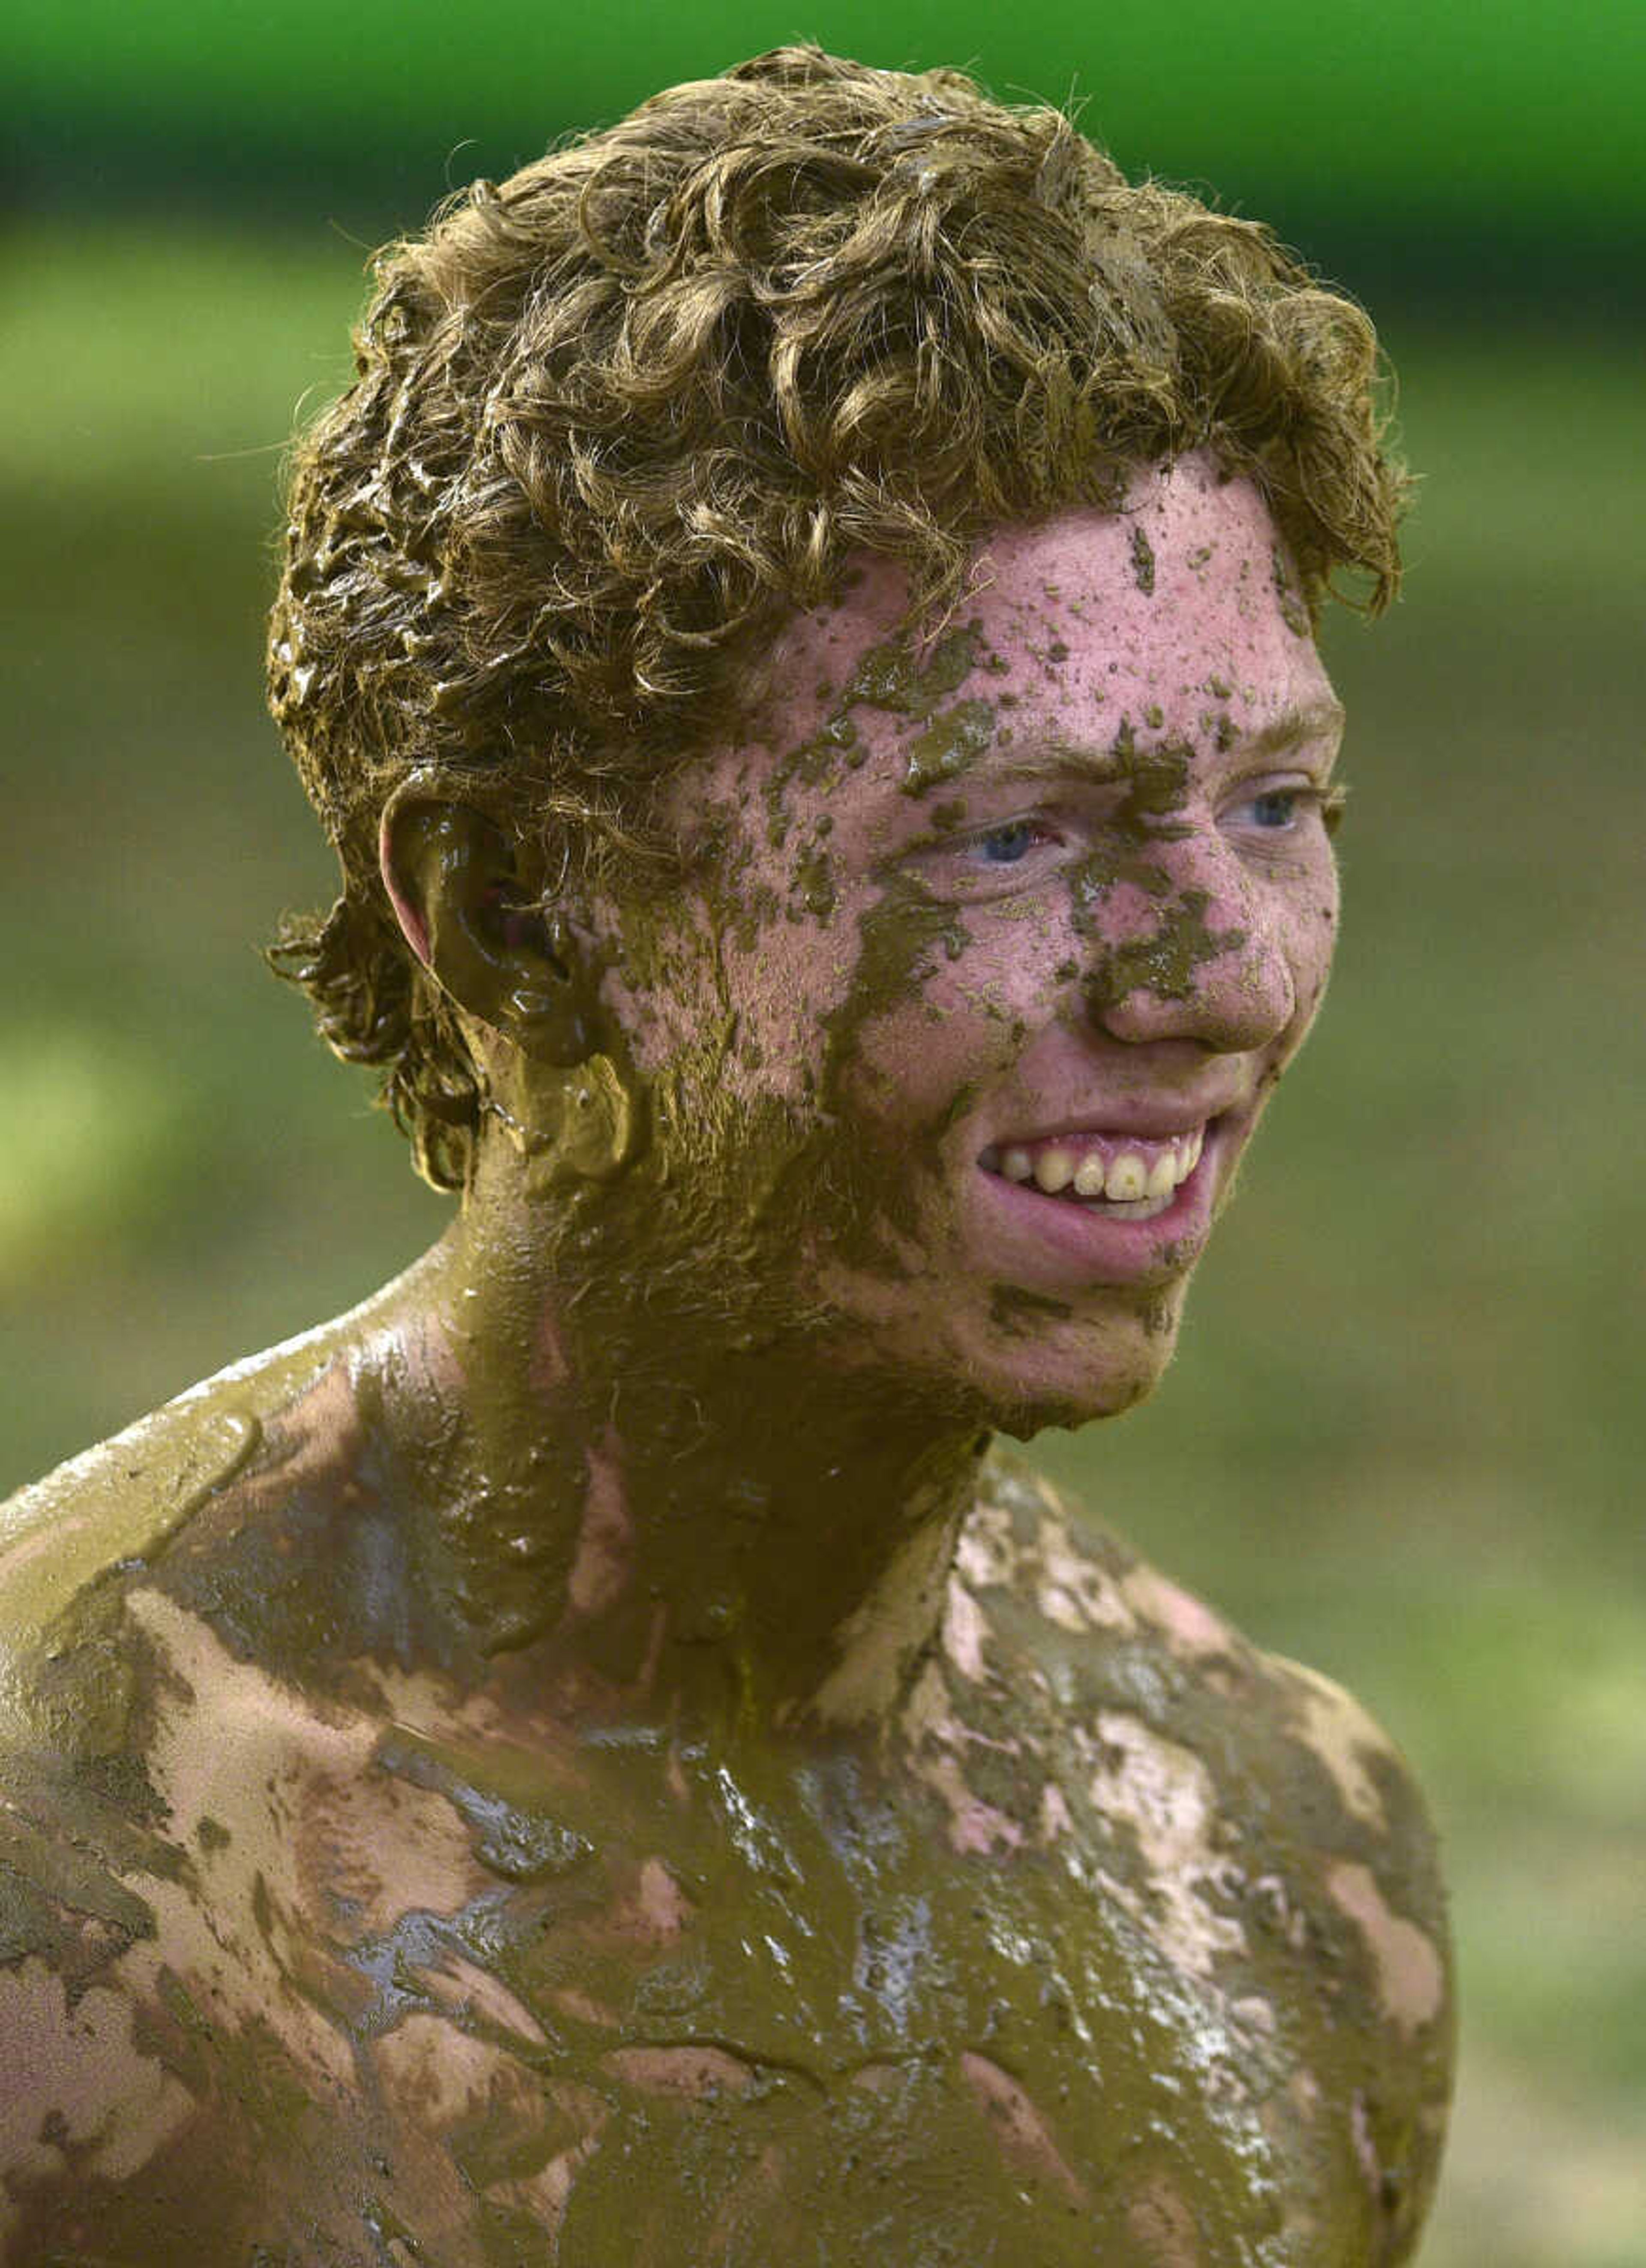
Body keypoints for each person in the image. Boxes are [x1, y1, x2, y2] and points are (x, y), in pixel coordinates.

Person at [0, 47, 1454, 2265]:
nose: (1217, 974)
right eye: (1012, 833)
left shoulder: (1283, 1871)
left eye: (1275, 805)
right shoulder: (78, 1923)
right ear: (513, 909)